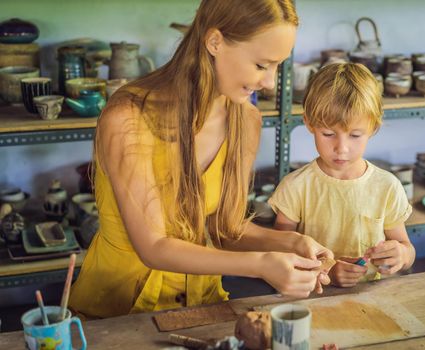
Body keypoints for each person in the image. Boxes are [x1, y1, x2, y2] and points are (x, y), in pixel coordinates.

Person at [69, 0, 333, 319]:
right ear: (214, 42)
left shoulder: (245, 119)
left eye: (278, 66)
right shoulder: (128, 117)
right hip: (116, 309)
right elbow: (153, 247)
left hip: (201, 305)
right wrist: (261, 265)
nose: (269, 83)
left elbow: (224, 227)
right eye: (262, 65)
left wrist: (291, 243)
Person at [268, 63, 415, 288]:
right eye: (328, 134)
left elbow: (407, 248)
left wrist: (402, 255)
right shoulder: (296, 186)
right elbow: (280, 251)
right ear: (309, 123)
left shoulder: (387, 186)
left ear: (373, 127)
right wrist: (326, 270)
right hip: (311, 294)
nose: (342, 148)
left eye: (355, 135)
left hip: (371, 297)